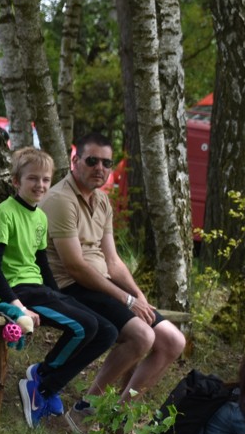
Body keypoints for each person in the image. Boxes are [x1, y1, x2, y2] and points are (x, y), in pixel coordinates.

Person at [41, 133, 186, 413]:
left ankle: (119, 419)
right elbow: (75, 267)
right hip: (70, 287)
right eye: (92, 161)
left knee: (172, 340)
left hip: (100, 285)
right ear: (75, 161)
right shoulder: (61, 199)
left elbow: (113, 261)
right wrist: (126, 299)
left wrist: (138, 295)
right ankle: (85, 411)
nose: (100, 168)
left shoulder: (102, 201)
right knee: (142, 336)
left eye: (107, 163)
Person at [0, 148, 117, 428]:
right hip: (16, 291)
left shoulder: (40, 217)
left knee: (107, 331)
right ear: (16, 181)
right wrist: (16, 305)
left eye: (46, 180)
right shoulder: (3, 214)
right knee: (84, 326)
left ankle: (43, 378)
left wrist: (59, 296)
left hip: (38, 288)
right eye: (33, 178)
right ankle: (43, 387)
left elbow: (41, 263)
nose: (40, 185)